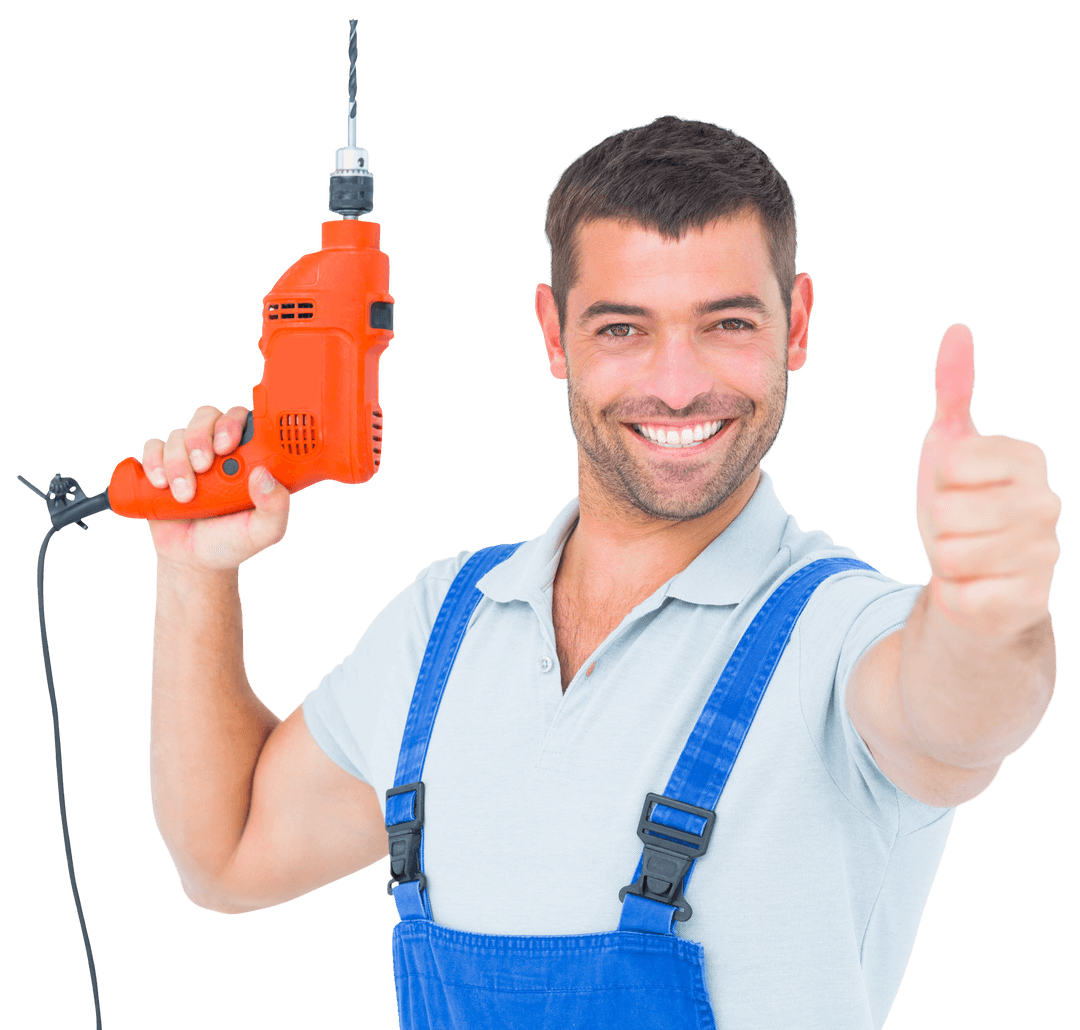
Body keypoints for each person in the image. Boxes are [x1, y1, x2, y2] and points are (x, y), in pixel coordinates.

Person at [142, 116, 1060, 1029]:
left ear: (798, 324)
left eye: (727, 322)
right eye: (623, 327)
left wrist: (990, 612)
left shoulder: (841, 634)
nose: (675, 383)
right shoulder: (445, 625)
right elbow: (226, 852)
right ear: (554, 334)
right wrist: (193, 574)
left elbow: (958, 721)